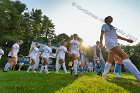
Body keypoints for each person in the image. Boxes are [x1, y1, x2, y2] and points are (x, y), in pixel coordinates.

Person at [100, 16, 140, 81]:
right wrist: (101, 43)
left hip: (114, 43)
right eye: (109, 17)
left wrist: (127, 39)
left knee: (110, 59)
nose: (111, 18)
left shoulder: (112, 27)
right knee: (124, 56)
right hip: (110, 43)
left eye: (111, 17)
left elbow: (117, 36)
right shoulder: (104, 25)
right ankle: (139, 77)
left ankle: (104, 75)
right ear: (106, 19)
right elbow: (101, 34)